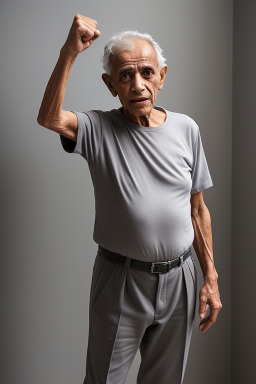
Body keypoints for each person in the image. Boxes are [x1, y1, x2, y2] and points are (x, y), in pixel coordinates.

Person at [37, 14, 222, 384]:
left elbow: (197, 209)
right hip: (121, 278)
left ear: (162, 76)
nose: (138, 85)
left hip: (182, 277)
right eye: (125, 76)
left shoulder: (187, 129)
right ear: (111, 84)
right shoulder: (97, 127)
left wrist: (211, 278)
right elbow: (50, 118)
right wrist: (69, 52)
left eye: (147, 73)